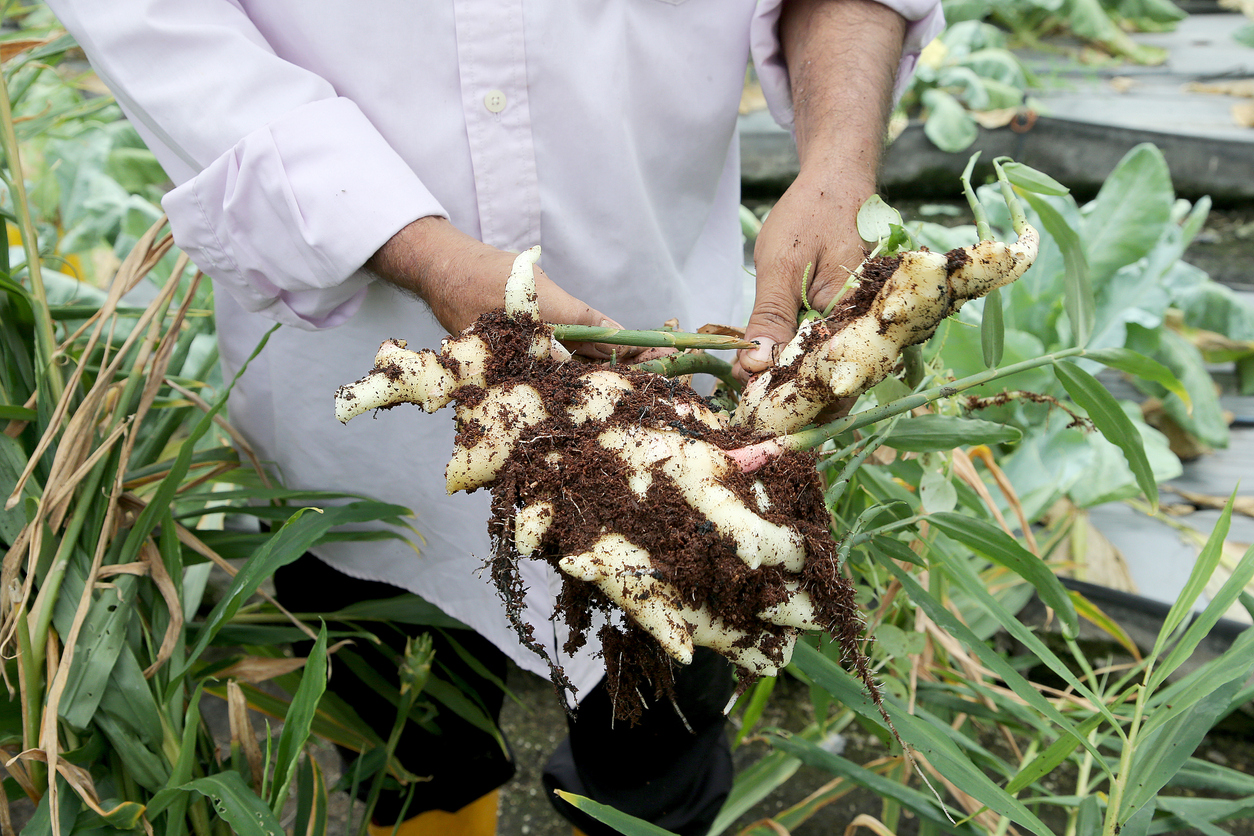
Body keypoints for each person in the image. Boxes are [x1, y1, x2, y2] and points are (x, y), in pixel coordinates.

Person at [46, 1, 943, 833]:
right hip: (357, 394)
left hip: (685, 409)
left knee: (659, 753)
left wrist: (835, 166)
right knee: (410, 740)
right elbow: (162, 28)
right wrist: (418, 250)